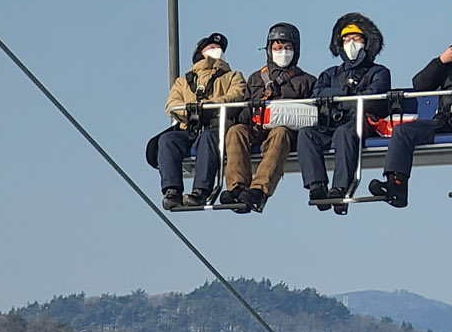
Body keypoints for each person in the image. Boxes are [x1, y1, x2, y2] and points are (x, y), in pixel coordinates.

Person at [369, 13, 452, 208]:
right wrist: (440, 61)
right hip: (445, 121)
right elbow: (420, 84)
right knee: (402, 131)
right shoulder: (449, 64)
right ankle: (395, 182)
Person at [219, 22, 315, 213]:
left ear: (295, 50)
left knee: (280, 133)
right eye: (277, 48)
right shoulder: (256, 78)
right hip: (256, 127)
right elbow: (243, 107)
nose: (282, 52)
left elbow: (312, 112)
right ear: (269, 49)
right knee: (236, 131)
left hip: (285, 131)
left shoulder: (306, 81)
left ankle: (259, 190)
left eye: (287, 48)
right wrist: (250, 112)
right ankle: (237, 187)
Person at [300, 13, 391, 213]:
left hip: (359, 122)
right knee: (307, 134)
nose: (351, 43)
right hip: (330, 123)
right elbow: (317, 92)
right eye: (346, 39)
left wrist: (339, 100)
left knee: (344, 134)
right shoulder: (330, 73)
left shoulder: (379, 72)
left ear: (366, 42)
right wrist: (345, 93)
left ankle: (340, 187)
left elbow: (373, 96)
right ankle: (317, 186)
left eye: (356, 39)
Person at [157, 31, 245, 209]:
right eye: (212, 48)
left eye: (219, 49)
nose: (217, 51)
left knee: (208, 139)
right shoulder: (183, 82)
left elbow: (237, 95)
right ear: (201, 53)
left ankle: (201, 190)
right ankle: (172, 190)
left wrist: (210, 106)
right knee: (167, 140)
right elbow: (172, 103)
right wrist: (189, 111)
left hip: (216, 127)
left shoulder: (232, 76)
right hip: (189, 127)